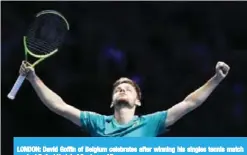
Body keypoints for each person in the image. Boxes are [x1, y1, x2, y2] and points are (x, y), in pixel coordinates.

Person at [19, 61, 230, 137]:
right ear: (111, 101)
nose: (122, 89)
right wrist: (33, 78)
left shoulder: (151, 123)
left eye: (128, 88)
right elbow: (59, 106)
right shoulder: (97, 122)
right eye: (118, 88)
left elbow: (189, 103)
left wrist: (216, 79)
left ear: (138, 101)